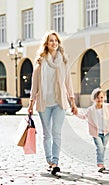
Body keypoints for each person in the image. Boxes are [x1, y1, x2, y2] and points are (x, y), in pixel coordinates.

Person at [27, 30, 78, 176]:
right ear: (46, 44)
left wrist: (73, 102)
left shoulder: (63, 61)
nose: (54, 43)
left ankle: (55, 162)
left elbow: (68, 83)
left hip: (59, 103)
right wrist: (31, 104)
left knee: (56, 132)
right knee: (47, 134)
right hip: (44, 103)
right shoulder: (40, 62)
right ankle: (49, 160)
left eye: (56, 41)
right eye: (51, 41)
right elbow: (34, 84)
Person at [76, 88, 109, 172]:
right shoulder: (91, 110)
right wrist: (76, 113)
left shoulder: (107, 107)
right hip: (96, 133)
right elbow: (83, 116)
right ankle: (100, 164)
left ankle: (101, 163)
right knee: (99, 148)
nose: (100, 99)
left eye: (101, 97)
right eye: (98, 98)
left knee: (103, 148)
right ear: (94, 98)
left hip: (106, 132)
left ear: (104, 98)